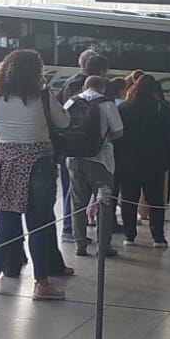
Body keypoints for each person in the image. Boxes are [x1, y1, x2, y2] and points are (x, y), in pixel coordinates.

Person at [0, 48, 70, 300]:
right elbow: (64, 122)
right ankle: (41, 283)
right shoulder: (43, 97)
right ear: (36, 72)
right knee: (38, 225)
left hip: (3, 162)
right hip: (38, 163)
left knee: (7, 225)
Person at [114, 74, 170, 248]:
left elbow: (116, 133)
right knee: (155, 200)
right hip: (154, 161)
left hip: (128, 161)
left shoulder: (125, 108)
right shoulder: (161, 108)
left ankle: (129, 235)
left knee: (128, 199)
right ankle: (158, 237)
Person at [65, 74, 123, 257]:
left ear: (84, 87)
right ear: (102, 88)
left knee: (78, 203)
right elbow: (119, 131)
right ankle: (103, 246)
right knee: (104, 203)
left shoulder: (71, 102)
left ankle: (79, 243)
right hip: (102, 162)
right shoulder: (106, 103)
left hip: (75, 160)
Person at [59, 54, 109, 241]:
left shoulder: (70, 85)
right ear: (102, 71)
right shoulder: (102, 90)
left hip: (70, 146)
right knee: (91, 193)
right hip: (93, 150)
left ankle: (70, 229)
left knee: (71, 190)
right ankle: (72, 229)